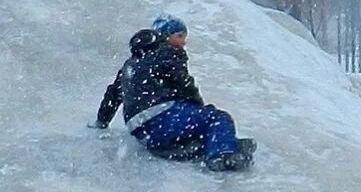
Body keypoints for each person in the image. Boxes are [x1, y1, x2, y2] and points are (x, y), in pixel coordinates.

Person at [93, 16, 255, 172]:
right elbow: (184, 84)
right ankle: (223, 155)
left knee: (194, 133)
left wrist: (101, 122)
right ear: (165, 36)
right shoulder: (168, 51)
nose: (183, 42)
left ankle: (220, 143)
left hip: (142, 132)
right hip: (162, 117)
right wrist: (199, 107)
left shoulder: (131, 63)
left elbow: (112, 95)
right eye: (180, 36)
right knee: (217, 118)